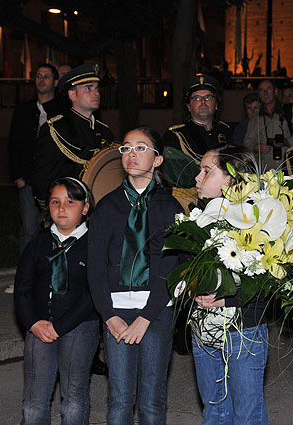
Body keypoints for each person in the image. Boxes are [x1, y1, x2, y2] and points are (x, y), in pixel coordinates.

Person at [88, 126, 182, 425]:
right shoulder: (107, 207)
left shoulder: (170, 207)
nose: (131, 154)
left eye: (141, 148)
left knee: (152, 401)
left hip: (156, 312)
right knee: (119, 400)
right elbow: (95, 265)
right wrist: (110, 316)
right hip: (116, 311)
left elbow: (171, 266)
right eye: (126, 148)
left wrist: (145, 317)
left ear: (157, 160)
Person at [193, 144, 269, 424]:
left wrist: (227, 298)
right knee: (215, 411)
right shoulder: (198, 218)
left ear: (231, 178)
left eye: (206, 171)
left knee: (247, 414)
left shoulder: (259, 219)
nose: (197, 178)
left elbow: (269, 283)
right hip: (203, 327)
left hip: (244, 329)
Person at [14, 177, 98, 425]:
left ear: (85, 208)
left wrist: (61, 326)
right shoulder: (37, 245)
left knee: (74, 399)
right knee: (33, 402)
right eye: (55, 202)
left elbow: (94, 294)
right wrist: (33, 323)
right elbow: (23, 288)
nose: (62, 208)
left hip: (79, 327)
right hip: (39, 328)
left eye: (70, 202)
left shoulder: (94, 245)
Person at [31, 63, 115, 203]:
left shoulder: (105, 131)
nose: (96, 93)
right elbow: (42, 181)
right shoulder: (56, 129)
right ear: (72, 94)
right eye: (88, 88)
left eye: (97, 88)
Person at [8, 64, 63, 257]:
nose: (41, 80)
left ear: (55, 82)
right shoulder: (24, 110)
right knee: (29, 230)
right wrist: (18, 178)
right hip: (29, 182)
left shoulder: (63, 110)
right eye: (38, 76)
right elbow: (13, 145)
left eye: (46, 76)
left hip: (55, 182)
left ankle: (53, 275)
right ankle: (26, 277)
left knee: (58, 229)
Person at [162, 74, 232, 188]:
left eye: (208, 97)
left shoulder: (226, 132)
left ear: (216, 105)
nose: (203, 101)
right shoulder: (175, 135)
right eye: (197, 98)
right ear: (189, 106)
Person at [244, 79, 293, 171]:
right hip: (264, 172)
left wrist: (285, 141)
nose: (265, 93)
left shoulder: (290, 112)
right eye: (261, 90)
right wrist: (257, 147)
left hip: (288, 169)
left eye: (268, 89)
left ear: (275, 91)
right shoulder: (256, 118)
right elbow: (247, 143)